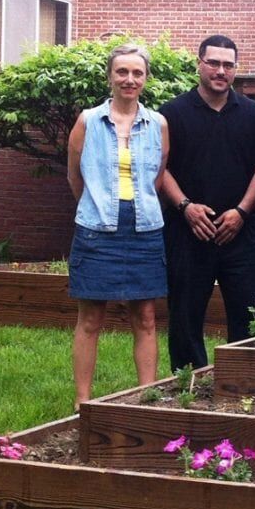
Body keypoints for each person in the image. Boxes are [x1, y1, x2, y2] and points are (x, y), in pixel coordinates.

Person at [159, 35, 255, 372]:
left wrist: (241, 211)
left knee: (253, 315)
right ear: (200, 64)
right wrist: (185, 207)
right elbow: (160, 168)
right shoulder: (172, 113)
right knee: (184, 316)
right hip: (188, 232)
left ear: (235, 69)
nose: (221, 71)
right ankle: (188, 384)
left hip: (242, 232)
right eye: (214, 63)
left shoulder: (252, 114)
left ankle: (246, 382)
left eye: (228, 65)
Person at [66, 43, 169, 410]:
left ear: (146, 78)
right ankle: (83, 402)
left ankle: (147, 399)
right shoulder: (88, 121)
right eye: (122, 71)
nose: (129, 79)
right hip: (97, 230)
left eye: (137, 73)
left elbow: (157, 177)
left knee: (146, 317)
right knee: (91, 319)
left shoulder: (158, 124)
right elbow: (74, 175)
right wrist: (96, 207)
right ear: (110, 76)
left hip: (145, 229)